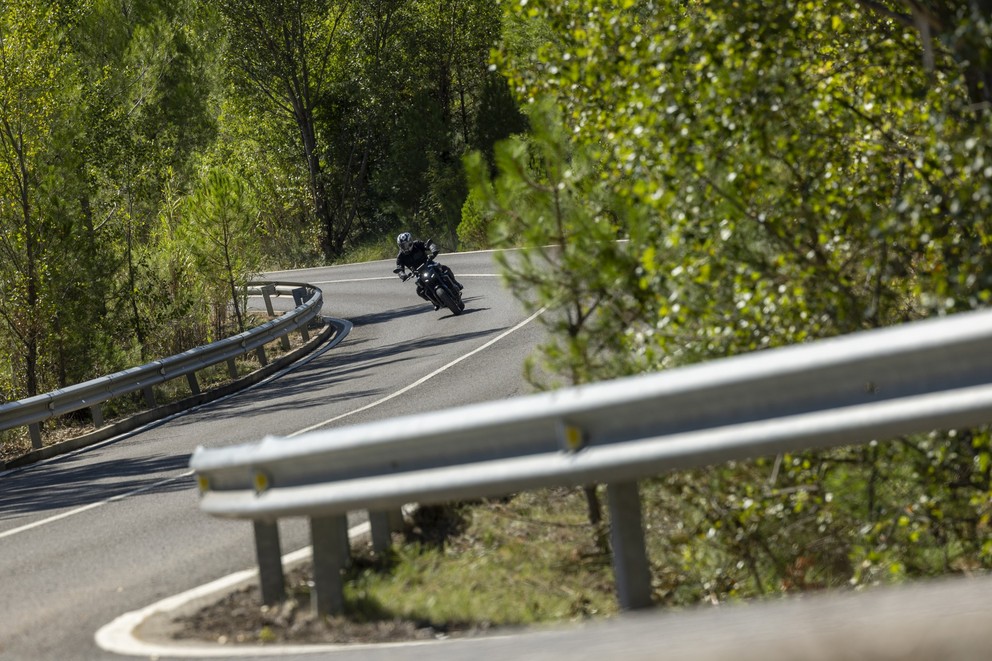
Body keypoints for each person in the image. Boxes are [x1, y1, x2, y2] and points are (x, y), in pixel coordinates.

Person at [393, 231, 463, 309]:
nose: (405, 247)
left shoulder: (417, 244)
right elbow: (399, 267)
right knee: (420, 291)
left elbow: (427, 245)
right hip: (418, 273)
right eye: (402, 245)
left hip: (429, 264)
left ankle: (455, 283)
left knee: (444, 269)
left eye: (406, 245)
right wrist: (403, 275)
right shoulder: (400, 256)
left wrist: (433, 249)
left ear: (410, 242)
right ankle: (434, 302)